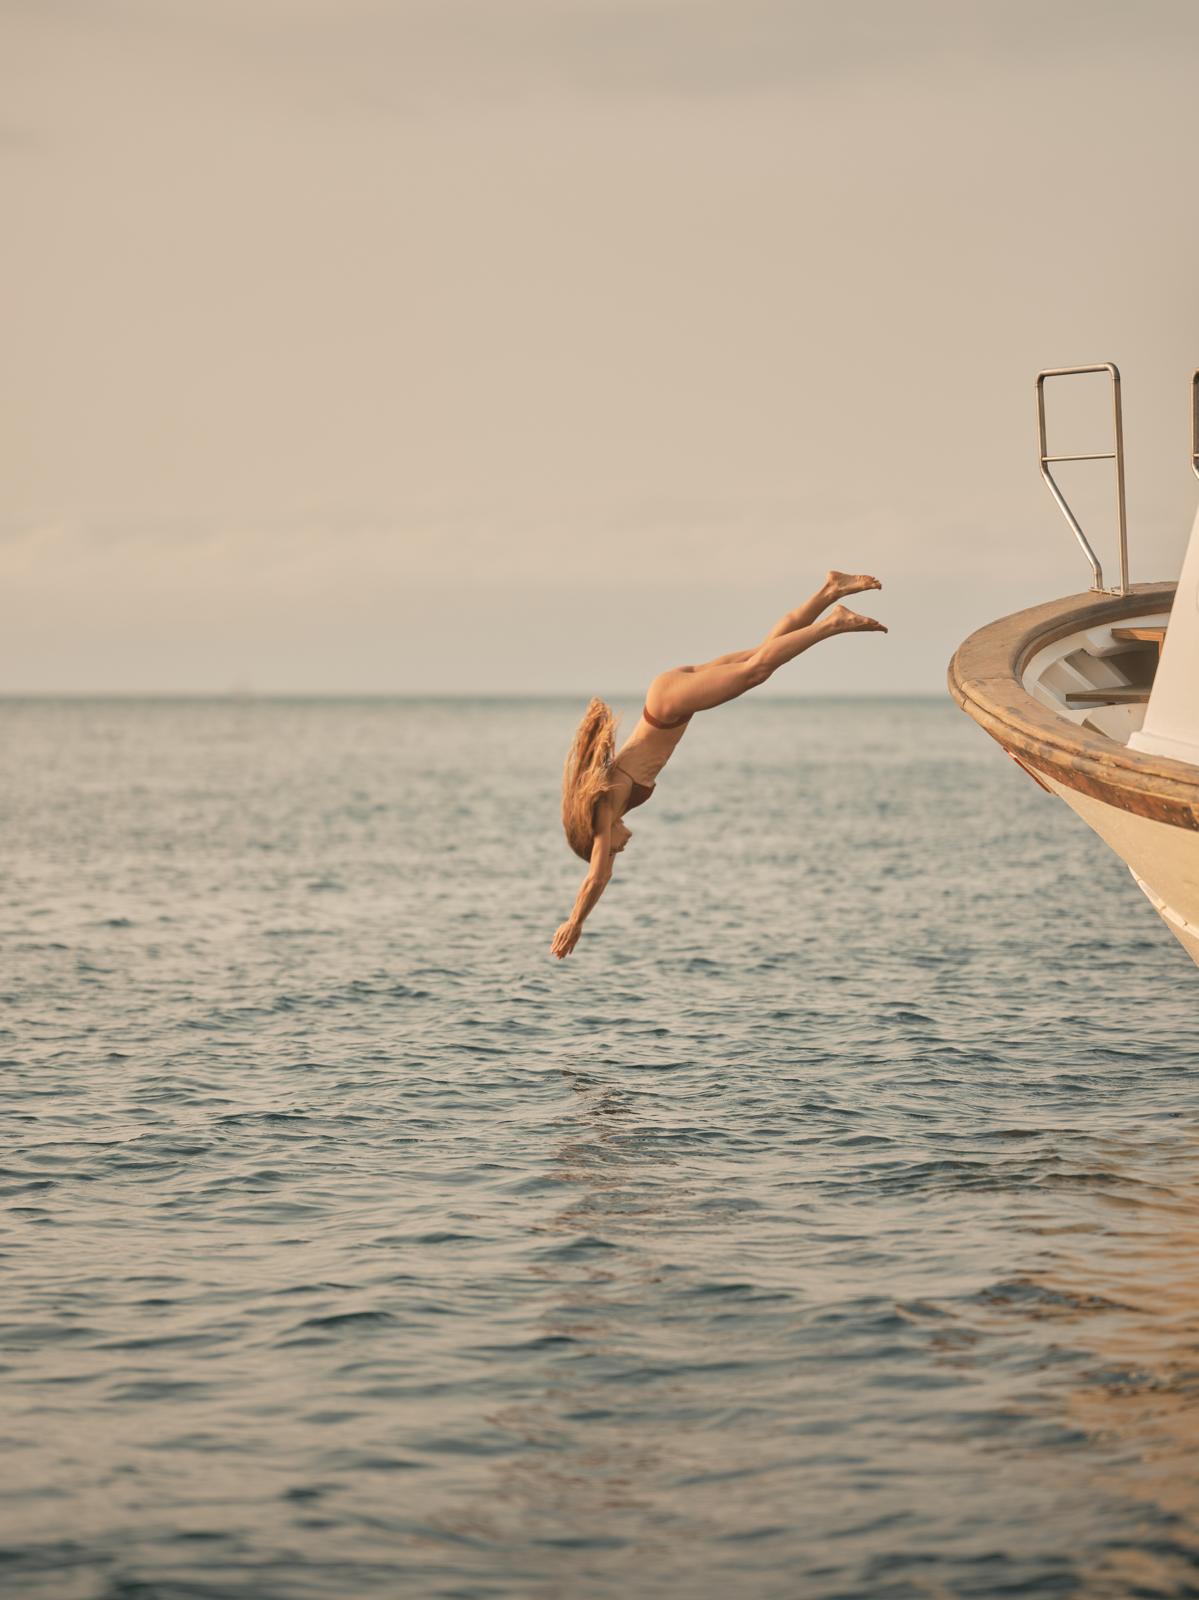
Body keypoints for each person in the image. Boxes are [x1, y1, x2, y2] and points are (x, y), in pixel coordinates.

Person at [551, 571, 886, 958]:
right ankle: (829, 590)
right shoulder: (612, 803)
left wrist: (575, 922)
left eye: (611, 848)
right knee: (764, 651)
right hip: (668, 699)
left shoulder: (608, 805)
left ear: (597, 835)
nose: (617, 850)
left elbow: (597, 877)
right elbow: (602, 870)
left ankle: (834, 622)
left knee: (756, 670)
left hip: (668, 707)